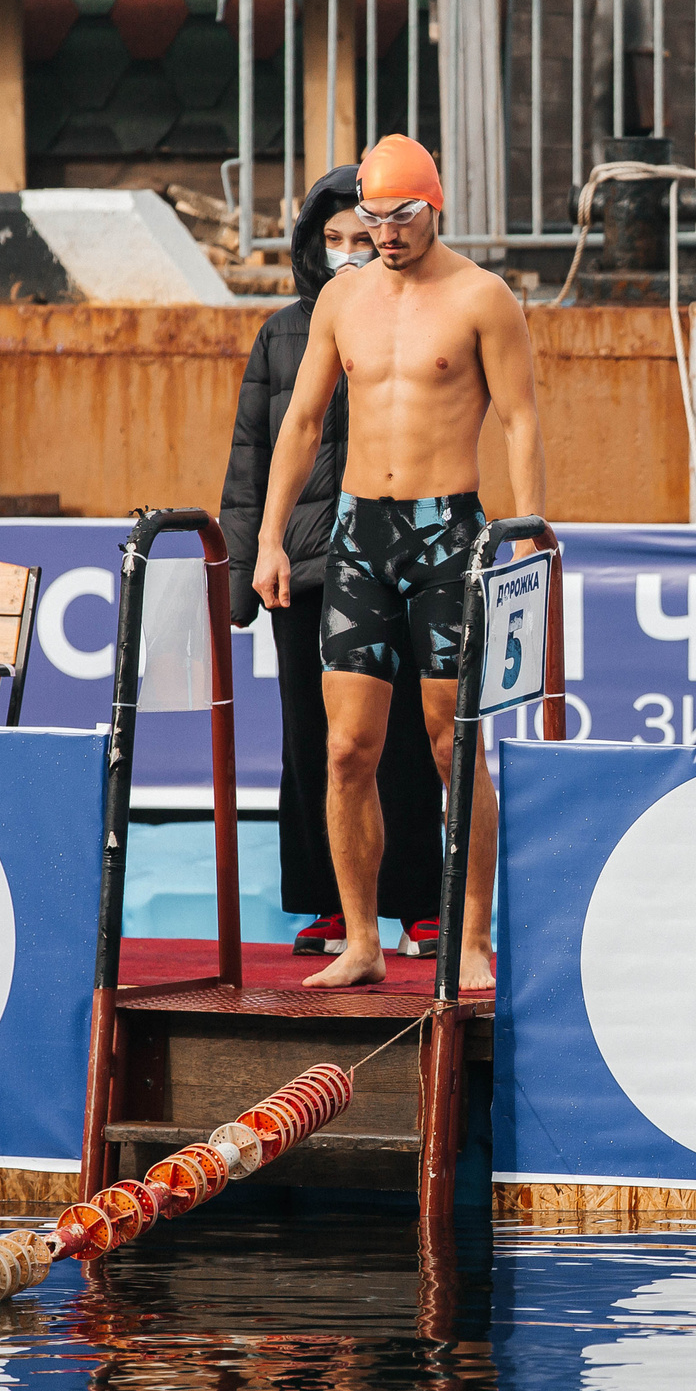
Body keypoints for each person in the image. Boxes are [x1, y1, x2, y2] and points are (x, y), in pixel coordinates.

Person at [252, 135, 548, 992]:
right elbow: (301, 422)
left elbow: (521, 420)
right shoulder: (342, 300)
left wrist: (529, 532)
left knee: (454, 746)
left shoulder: (483, 297)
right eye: (373, 217)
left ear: (435, 207)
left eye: (402, 216)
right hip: (360, 538)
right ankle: (361, 940)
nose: (385, 232)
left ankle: (472, 936)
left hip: (448, 536)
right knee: (347, 748)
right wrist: (270, 537)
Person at [220, 164, 449, 960]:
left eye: (364, 235)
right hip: (307, 571)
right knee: (312, 740)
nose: (351, 251)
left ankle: (418, 903)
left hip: (400, 561)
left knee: (411, 738)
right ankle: (324, 901)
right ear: (312, 246)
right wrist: (248, 568)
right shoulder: (283, 332)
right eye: (335, 239)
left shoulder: (421, 317)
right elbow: (251, 456)